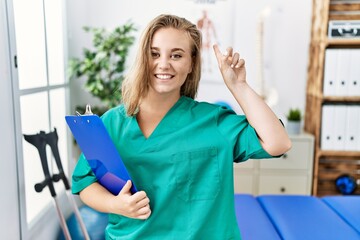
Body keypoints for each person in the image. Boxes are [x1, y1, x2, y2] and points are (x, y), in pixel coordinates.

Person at [72, 14, 291, 240]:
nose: (164, 64)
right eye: (154, 54)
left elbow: (278, 143)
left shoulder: (213, 121)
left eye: (176, 55)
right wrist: (115, 204)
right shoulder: (111, 123)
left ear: (191, 63)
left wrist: (238, 85)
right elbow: (84, 182)